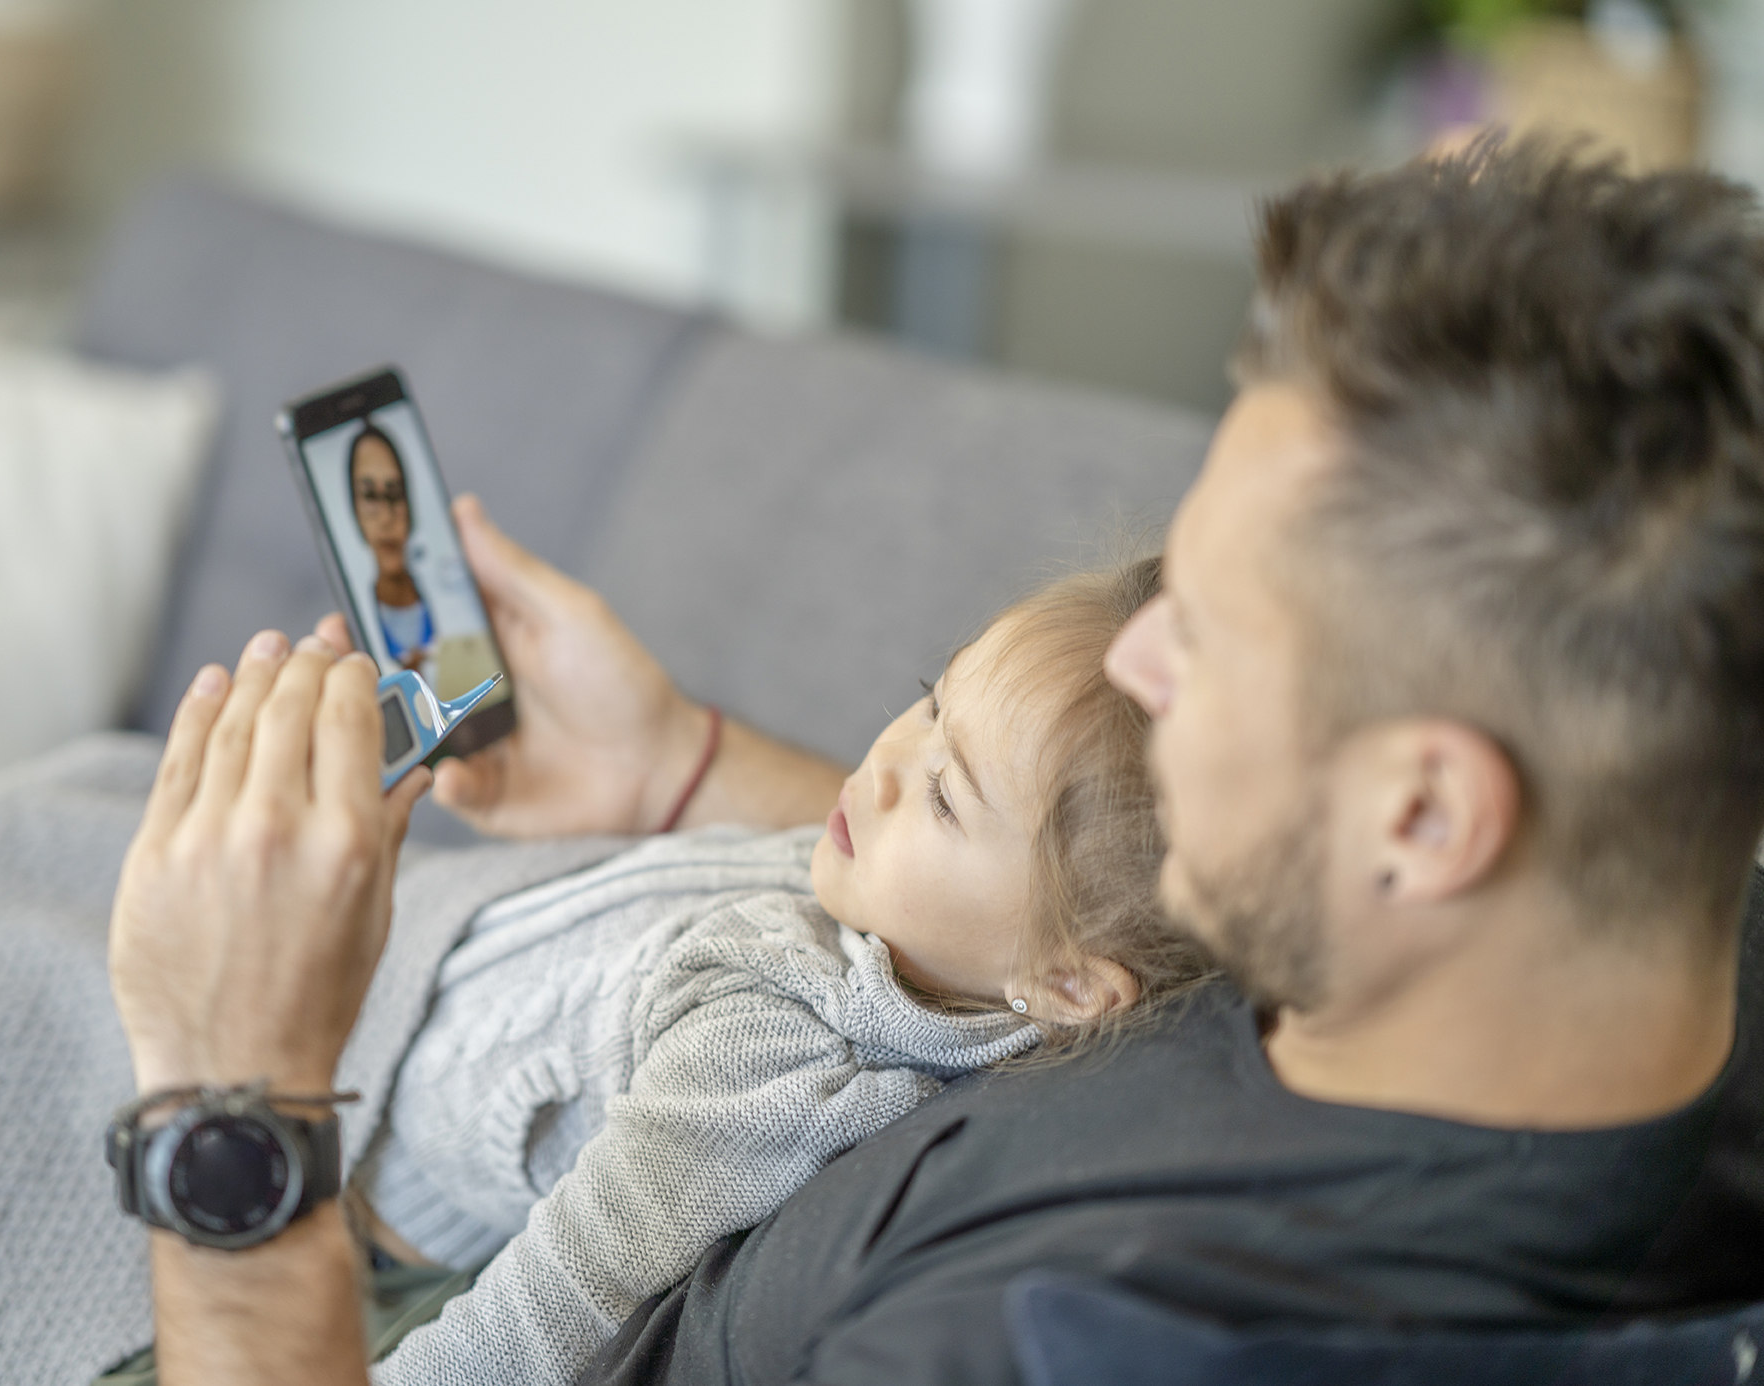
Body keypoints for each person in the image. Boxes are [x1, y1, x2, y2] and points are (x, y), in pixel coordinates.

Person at [106, 143, 1764, 1385]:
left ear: (1420, 816)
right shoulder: (1590, 963)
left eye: (1214, 637)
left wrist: (230, 1104)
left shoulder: (1068, 1340)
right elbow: (1084, 921)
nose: (1138, 660)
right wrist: (688, 769)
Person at [105, 557, 1212, 1384]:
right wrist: (670, 762)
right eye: (930, 702)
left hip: (370, 1193)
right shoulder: (893, 913)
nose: (881, 763)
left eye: (943, 795)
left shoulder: (769, 1065)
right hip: (432, 1015)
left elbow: (556, 1306)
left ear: (1070, 986)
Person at [348, 425, 432, 676]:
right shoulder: (361, 618)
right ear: (355, 511)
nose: (386, 517)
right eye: (370, 496)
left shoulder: (440, 598)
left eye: (395, 495)